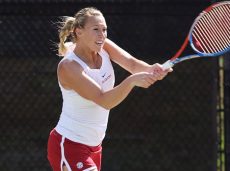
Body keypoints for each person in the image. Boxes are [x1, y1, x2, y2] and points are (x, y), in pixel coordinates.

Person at [47, 7, 171, 171]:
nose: (102, 35)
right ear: (79, 32)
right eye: (96, 29)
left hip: (95, 147)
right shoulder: (69, 67)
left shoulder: (104, 46)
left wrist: (151, 69)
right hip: (69, 144)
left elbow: (133, 64)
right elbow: (104, 100)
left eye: (104, 29)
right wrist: (132, 81)